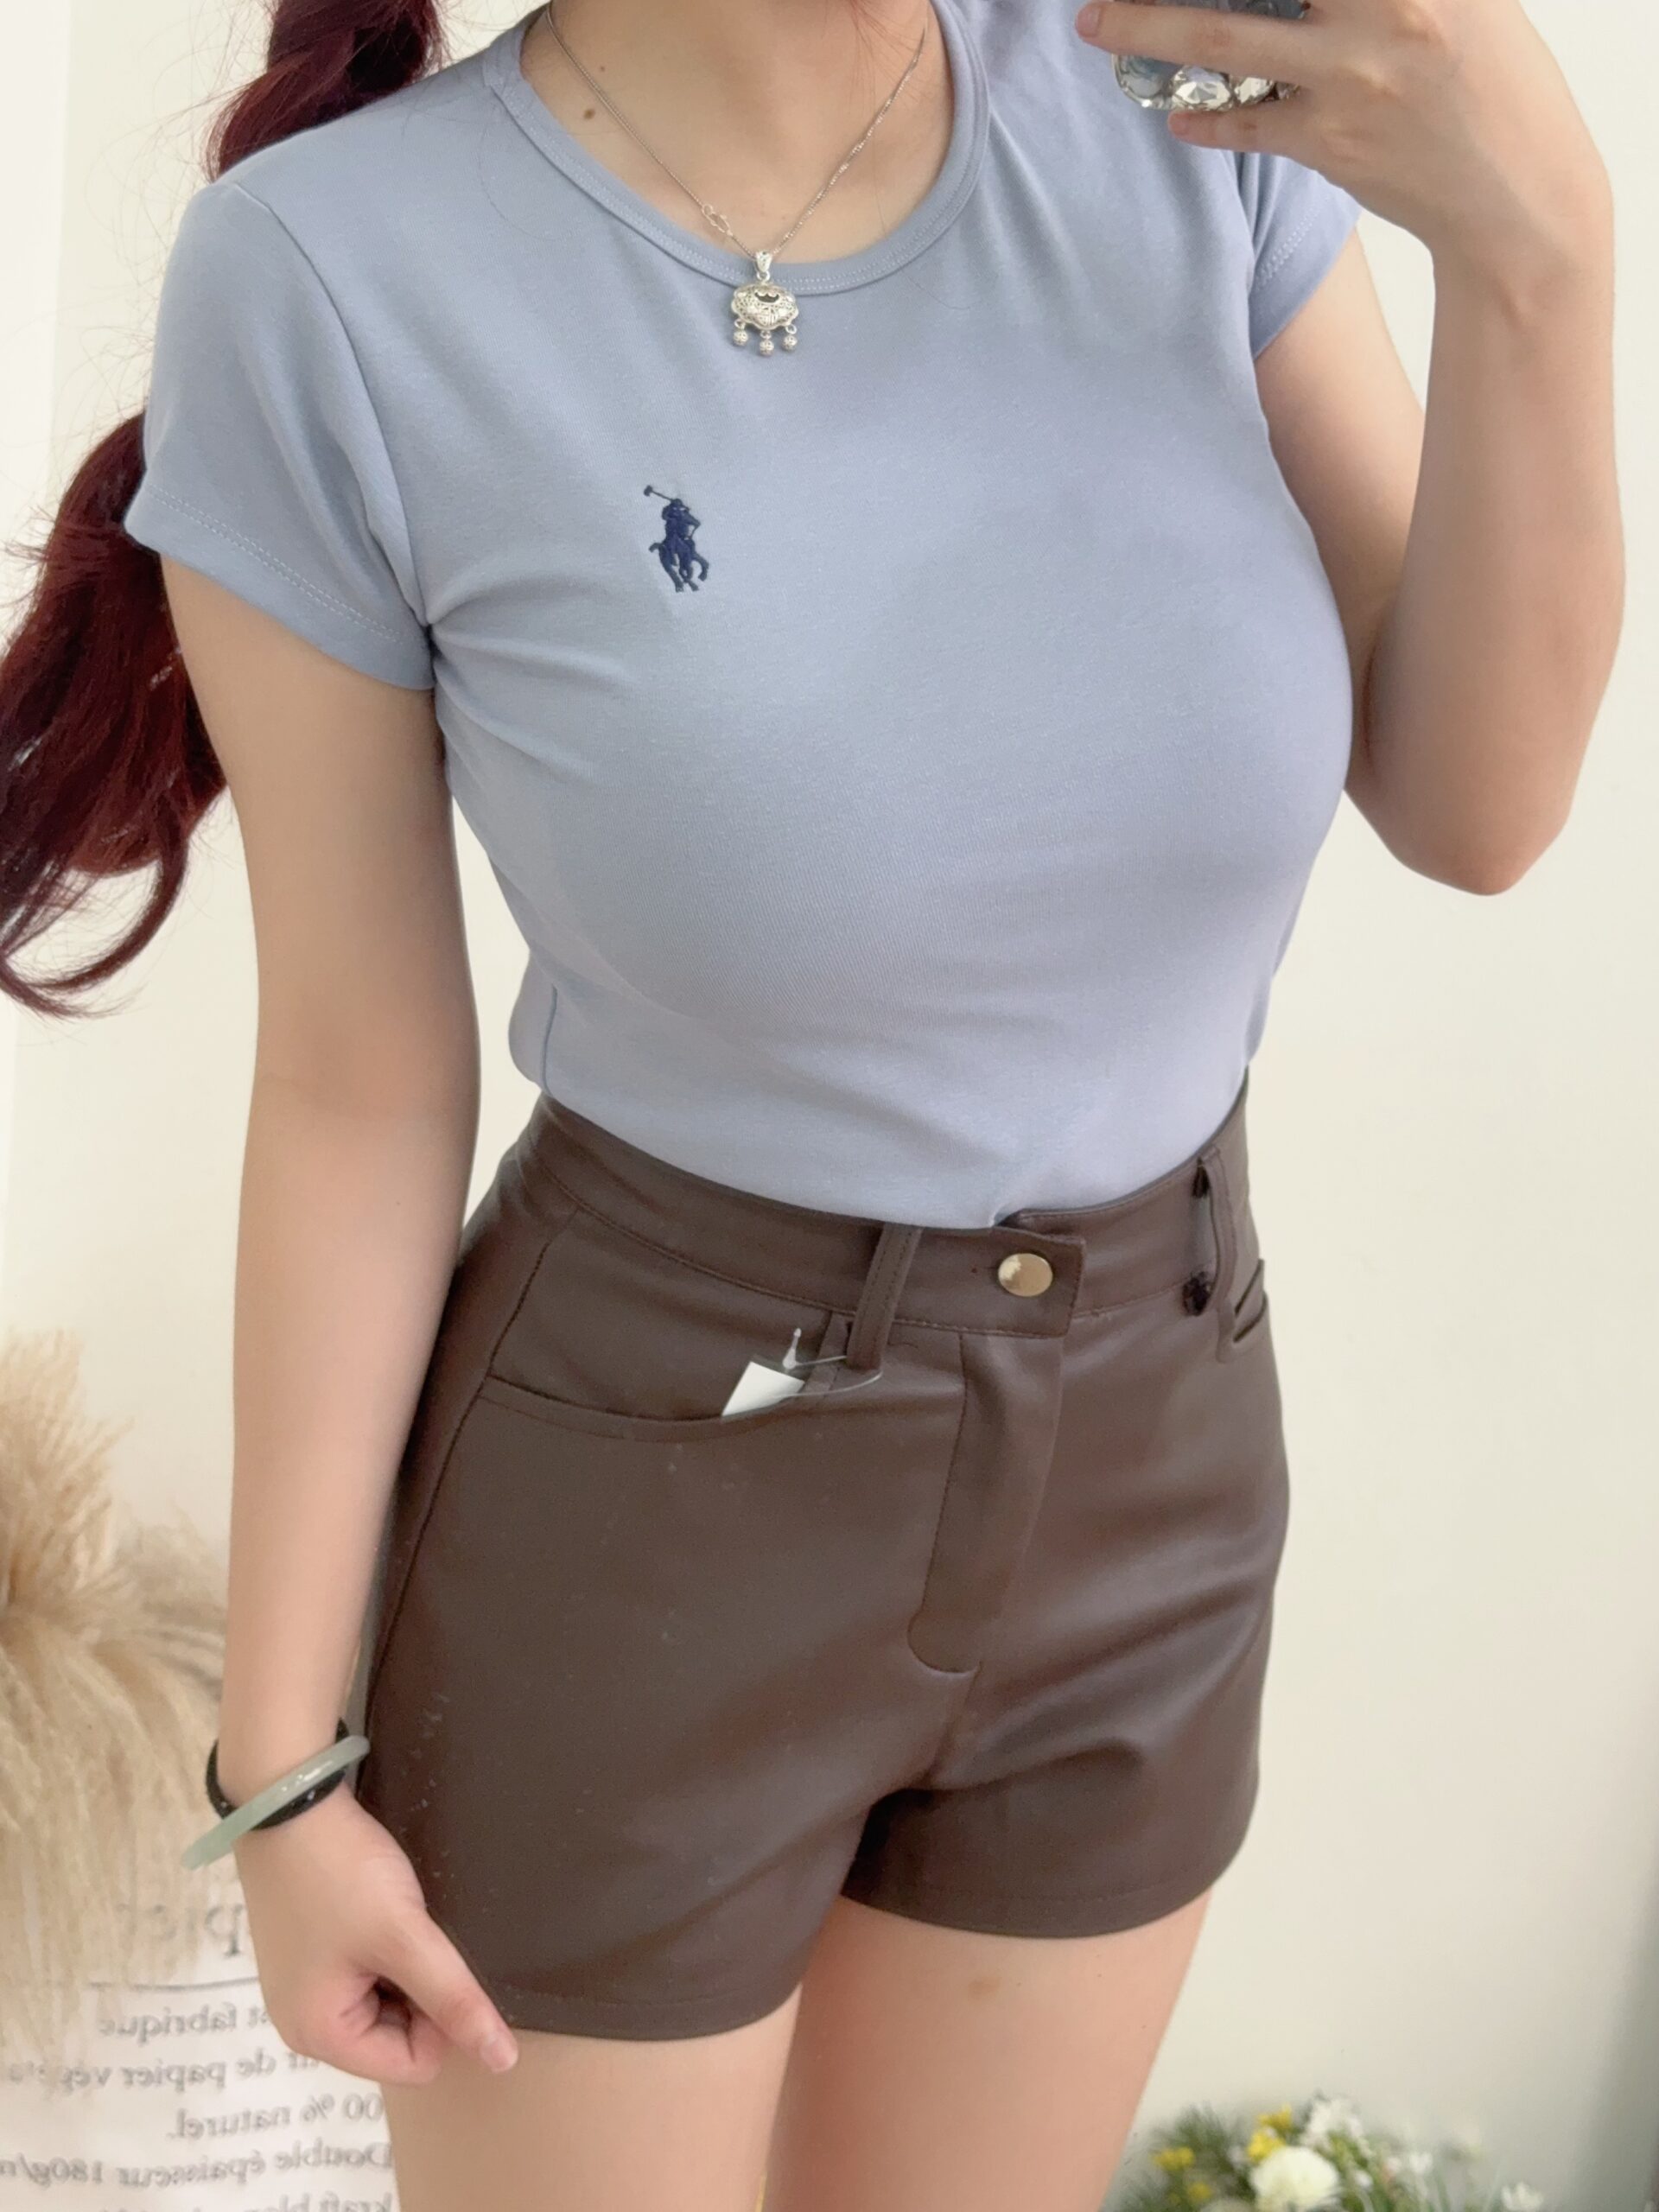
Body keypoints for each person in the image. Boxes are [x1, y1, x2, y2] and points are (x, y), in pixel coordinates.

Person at [0, 0, 1621, 2204]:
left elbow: (1478, 800)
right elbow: (362, 1080)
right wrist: (279, 1764)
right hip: (647, 1487)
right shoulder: (332, 276)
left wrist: (1540, 252)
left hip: (1155, 1450)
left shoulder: (1184, 117)